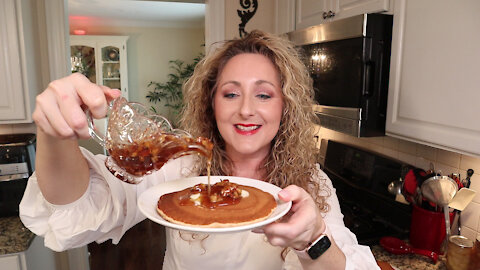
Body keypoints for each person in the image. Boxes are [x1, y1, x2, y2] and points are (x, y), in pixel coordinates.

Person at [20, 30, 379, 270]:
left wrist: (313, 238)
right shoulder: (178, 170)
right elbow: (79, 209)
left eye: (265, 94)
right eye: (231, 93)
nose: (247, 110)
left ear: (286, 107)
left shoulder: (310, 183)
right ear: (212, 104)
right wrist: (55, 133)